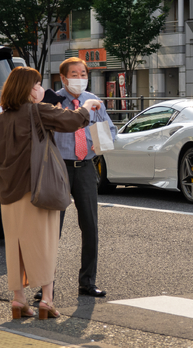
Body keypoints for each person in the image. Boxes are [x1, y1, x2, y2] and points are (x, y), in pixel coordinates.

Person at [0, 66, 101, 319]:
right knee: (45, 243)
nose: (41, 89)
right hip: (38, 189)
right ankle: (46, 301)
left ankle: (19, 300)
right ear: (28, 90)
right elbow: (72, 121)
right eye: (37, 85)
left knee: (15, 246)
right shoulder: (38, 111)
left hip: (8, 192)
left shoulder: (1, 119)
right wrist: (89, 105)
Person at [54, 57, 117, 298]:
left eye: (83, 74)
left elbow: (110, 132)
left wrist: (94, 137)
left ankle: (88, 281)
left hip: (86, 166)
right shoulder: (53, 100)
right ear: (63, 78)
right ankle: (45, 284)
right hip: (58, 168)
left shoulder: (95, 102)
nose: (80, 78)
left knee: (90, 225)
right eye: (74, 74)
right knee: (52, 228)